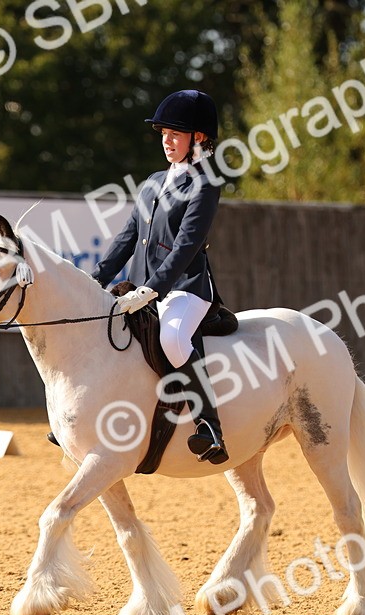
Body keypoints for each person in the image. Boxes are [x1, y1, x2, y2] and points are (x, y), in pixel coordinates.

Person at [90, 89, 229, 465]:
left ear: (198, 137)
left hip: (183, 290)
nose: (166, 141)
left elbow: (187, 245)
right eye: (164, 133)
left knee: (171, 337)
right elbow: (128, 236)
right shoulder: (153, 181)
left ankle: (210, 426)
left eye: (175, 134)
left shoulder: (206, 181)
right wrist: (96, 278)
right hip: (139, 286)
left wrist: (153, 289)